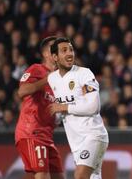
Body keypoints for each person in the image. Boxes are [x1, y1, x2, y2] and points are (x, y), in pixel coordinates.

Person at [48, 37, 109, 179]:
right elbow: (56, 111)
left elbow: (94, 107)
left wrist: (64, 107)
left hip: (94, 135)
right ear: (55, 57)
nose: (70, 53)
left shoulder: (84, 74)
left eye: (71, 49)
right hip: (76, 142)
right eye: (64, 50)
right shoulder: (52, 79)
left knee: (80, 176)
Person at [15, 36, 64, 179]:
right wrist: (48, 79)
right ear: (45, 54)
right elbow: (22, 91)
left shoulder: (62, 79)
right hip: (32, 132)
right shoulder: (36, 69)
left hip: (47, 136)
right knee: (42, 175)